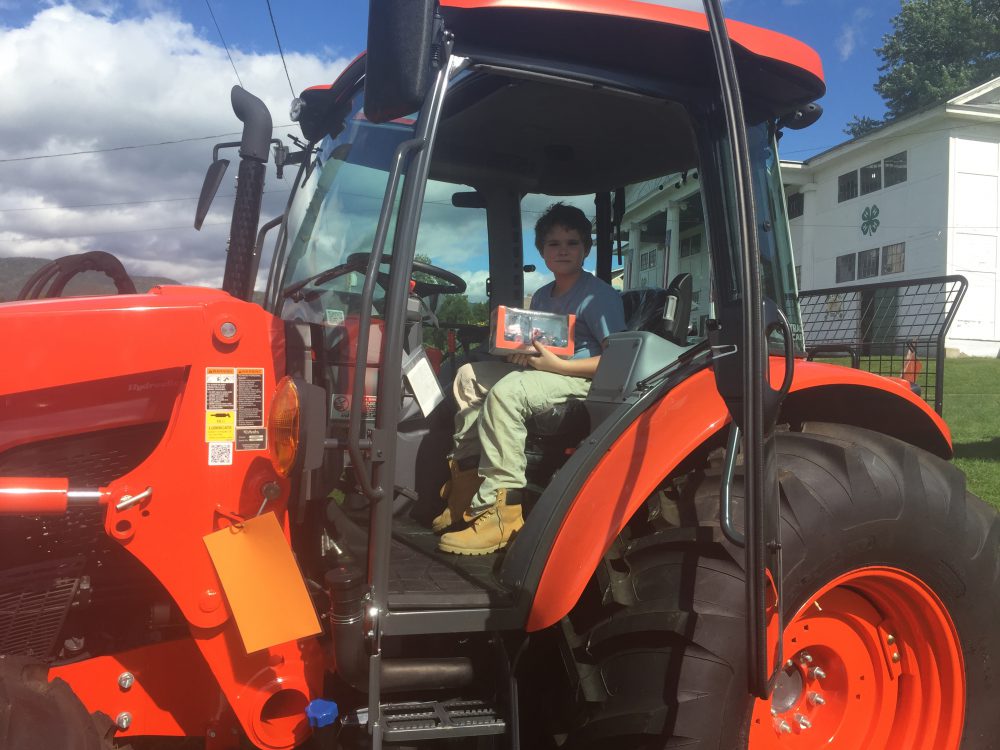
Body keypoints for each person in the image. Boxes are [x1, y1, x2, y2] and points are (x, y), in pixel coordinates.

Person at [434, 203, 626, 555]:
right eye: (554, 244)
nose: (563, 249)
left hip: (581, 380)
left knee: (507, 391)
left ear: (586, 249)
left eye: (572, 242)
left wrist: (560, 367)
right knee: (467, 376)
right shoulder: (541, 295)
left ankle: (502, 512)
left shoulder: (598, 296)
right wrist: (517, 353)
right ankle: (467, 488)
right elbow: (537, 343)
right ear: (542, 252)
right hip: (544, 371)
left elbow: (618, 358)